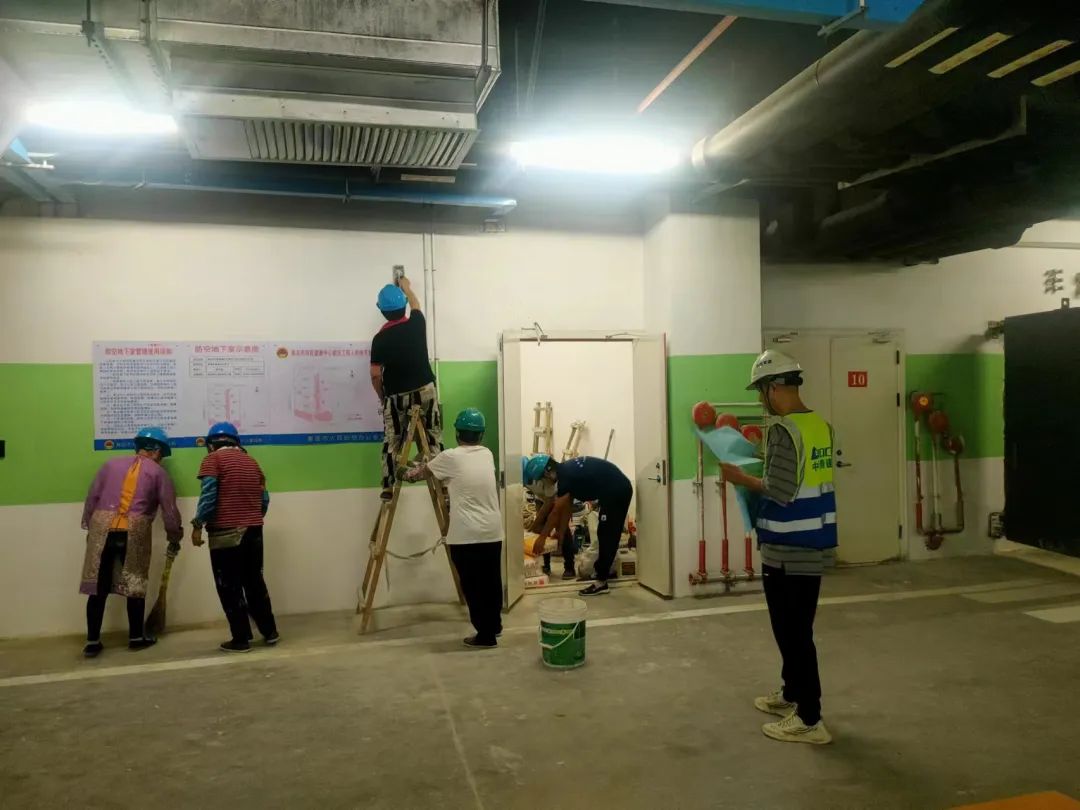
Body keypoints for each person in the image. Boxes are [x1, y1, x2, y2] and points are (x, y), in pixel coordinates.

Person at [720, 349, 836, 745]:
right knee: (795, 628)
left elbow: (782, 490)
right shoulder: (819, 426)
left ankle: (809, 718)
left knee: (793, 633)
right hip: (813, 540)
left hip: (787, 546)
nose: (760, 400)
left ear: (773, 388)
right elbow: (801, 479)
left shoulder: (784, 430)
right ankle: (791, 693)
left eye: (760, 391)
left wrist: (741, 478)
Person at [401, 408, 503, 648]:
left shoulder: (450, 457)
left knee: (472, 585)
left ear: (458, 433)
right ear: (481, 434)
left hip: (467, 534)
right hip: (492, 531)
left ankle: (485, 636)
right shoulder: (486, 454)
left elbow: (418, 474)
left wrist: (403, 471)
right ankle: (494, 625)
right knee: (491, 582)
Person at [79, 427, 183, 657]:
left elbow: (92, 497)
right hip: (134, 531)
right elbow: (169, 511)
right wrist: (175, 535)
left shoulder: (109, 465)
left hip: (102, 527)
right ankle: (136, 637)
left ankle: (92, 642)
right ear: (157, 451)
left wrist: (89, 526)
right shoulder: (158, 473)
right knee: (135, 584)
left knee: (98, 586)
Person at [191, 421, 279, 653]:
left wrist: (198, 524)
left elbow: (208, 496)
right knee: (255, 582)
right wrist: (252, 517)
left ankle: (241, 639)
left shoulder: (213, 460)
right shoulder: (252, 462)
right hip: (254, 531)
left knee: (229, 586)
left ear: (211, 444)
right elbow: (264, 499)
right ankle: (270, 632)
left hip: (226, 534)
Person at [370, 277, 443, 500]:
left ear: (382, 311)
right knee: (433, 435)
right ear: (403, 306)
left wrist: (382, 397)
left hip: (397, 396)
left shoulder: (379, 339)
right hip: (425, 390)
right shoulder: (417, 323)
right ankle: (441, 480)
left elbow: (375, 374)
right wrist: (407, 287)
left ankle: (388, 486)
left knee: (392, 440)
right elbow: (416, 304)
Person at [525, 454, 632, 597]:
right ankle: (602, 573)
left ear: (547, 472)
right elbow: (567, 508)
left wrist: (542, 538)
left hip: (617, 491)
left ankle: (601, 582)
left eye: (543, 479)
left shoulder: (565, 478)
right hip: (611, 490)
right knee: (604, 532)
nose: (545, 483)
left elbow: (556, 512)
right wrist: (561, 533)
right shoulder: (566, 472)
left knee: (607, 534)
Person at [522, 456, 577, 581]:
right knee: (541, 531)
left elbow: (550, 504)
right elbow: (539, 499)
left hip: (556, 498)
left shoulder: (551, 478)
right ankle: (545, 565)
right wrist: (536, 525)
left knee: (563, 530)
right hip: (542, 500)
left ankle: (569, 567)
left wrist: (534, 525)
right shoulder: (532, 476)